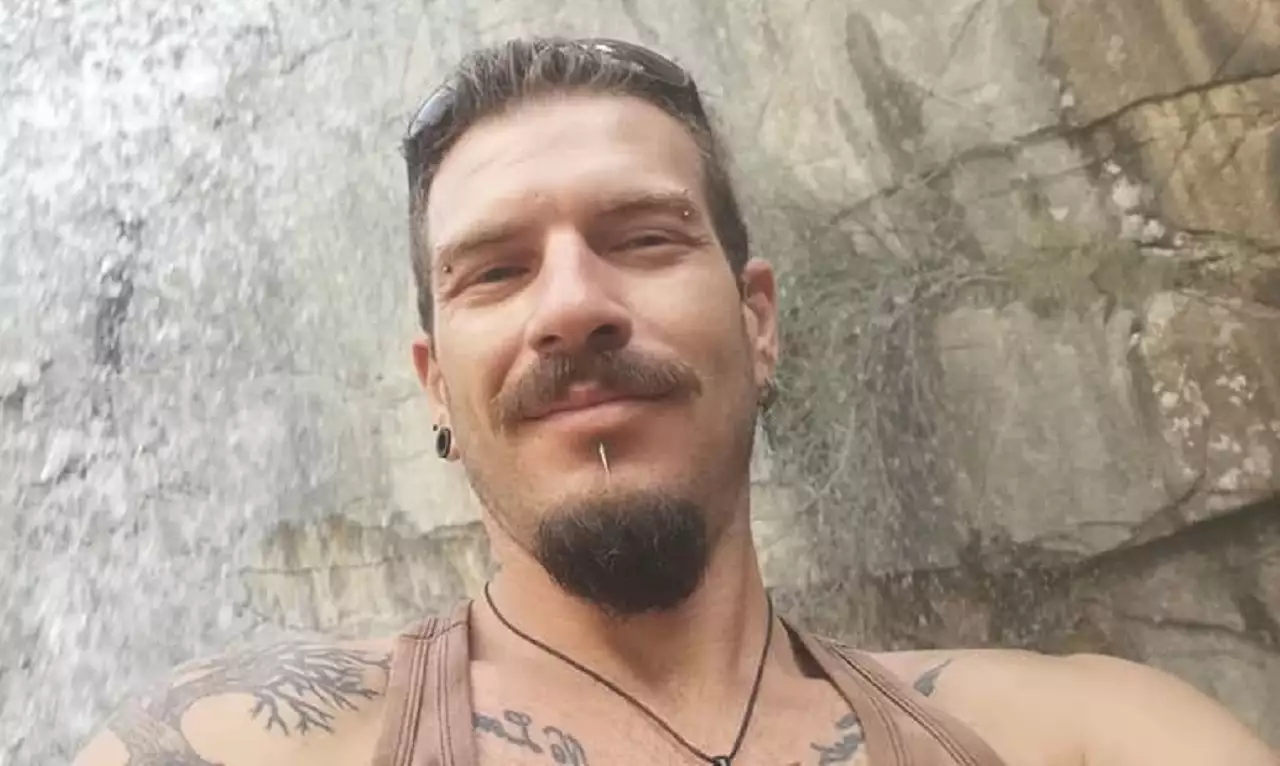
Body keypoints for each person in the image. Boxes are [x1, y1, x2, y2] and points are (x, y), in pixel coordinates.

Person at [74, 36, 1277, 766]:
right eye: (494, 271)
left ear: (758, 323)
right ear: (435, 383)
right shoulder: (234, 741)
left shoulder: (1083, 735)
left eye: (642, 238)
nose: (571, 306)